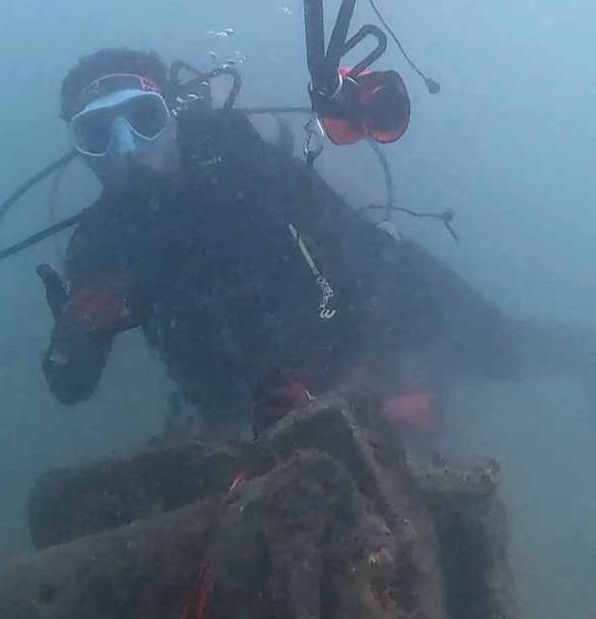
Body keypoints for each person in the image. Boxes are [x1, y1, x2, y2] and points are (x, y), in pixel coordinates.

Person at [36, 46, 593, 440]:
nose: (126, 149)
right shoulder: (102, 245)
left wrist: (345, 380)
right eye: (97, 135)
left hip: (376, 303)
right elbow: (71, 389)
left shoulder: (240, 162)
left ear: (175, 115)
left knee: (508, 349)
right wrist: (75, 339)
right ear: (80, 148)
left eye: (142, 120)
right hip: (260, 394)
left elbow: (345, 258)